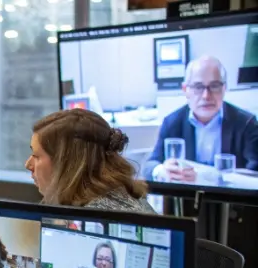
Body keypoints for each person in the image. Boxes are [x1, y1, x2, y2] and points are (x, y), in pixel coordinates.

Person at [144, 56, 258, 182]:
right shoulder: (172, 122)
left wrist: (207, 176)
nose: (206, 96)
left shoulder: (246, 123)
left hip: (231, 199)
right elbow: (150, 166)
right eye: (198, 87)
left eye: (214, 86)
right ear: (185, 90)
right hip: (189, 199)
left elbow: (255, 173)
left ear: (224, 88)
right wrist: (161, 170)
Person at [25, 109, 154, 213]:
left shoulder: (101, 218)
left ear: (69, 163)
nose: (28, 165)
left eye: (36, 156)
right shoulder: (106, 203)